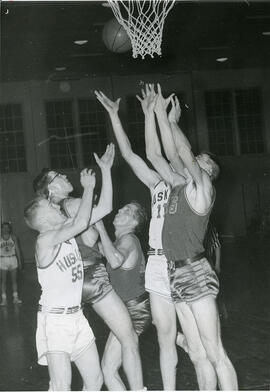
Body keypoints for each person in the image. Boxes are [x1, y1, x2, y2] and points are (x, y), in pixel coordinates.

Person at [33, 144, 144, 391]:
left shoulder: (55, 214)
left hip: (69, 284)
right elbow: (103, 209)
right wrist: (104, 172)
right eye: (58, 177)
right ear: (52, 189)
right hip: (90, 275)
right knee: (128, 337)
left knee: (87, 376)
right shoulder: (71, 204)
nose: (64, 176)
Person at [95, 89, 185, 390]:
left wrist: (159, 117)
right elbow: (130, 154)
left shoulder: (183, 182)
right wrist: (115, 116)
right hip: (157, 262)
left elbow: (162, 154)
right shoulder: (156, 183)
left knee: (172, 337)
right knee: (159, 339)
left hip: (178, 260)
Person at [152, 84, 238, 390]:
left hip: (196, 273)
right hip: (175, 272)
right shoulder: (179, 186)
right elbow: (166, 154)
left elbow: (184, 151)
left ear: (208, 171)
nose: (194, 160)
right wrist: (159, 116)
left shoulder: (204, 190)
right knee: (197, 354)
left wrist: (170, 120)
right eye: (197, 159)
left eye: (201, 161)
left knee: (215, 353)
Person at [24, 167, 103, 391]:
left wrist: (105, 171)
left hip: (77, 316)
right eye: (50, 206)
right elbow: (80, 223)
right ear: (43, 218)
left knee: (95, 381)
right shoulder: (45, 239)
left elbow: (102, 209)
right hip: (57, 322)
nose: (55, 206)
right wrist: (88, 187)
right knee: (60, 386)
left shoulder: (63, 229)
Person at [95, 201, 151, 390]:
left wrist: (100, 225)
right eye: (121, 208)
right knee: (107, 368)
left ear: (135, 222)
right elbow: (98, 249)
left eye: (127, 210)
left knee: (110, 367)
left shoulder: (129, 239)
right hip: (125, 309)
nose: (120, 210)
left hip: (134, 309)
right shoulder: (118, 242)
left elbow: (116, 260)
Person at [0, 221, 23, 305]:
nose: (6, 229)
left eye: (7, 227)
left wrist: (20, 262)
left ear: (9, 229)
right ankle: (4, 299)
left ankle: (15, 298)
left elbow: (17, 250)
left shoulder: (13, 237)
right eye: (4, 228)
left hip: (13, 259)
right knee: (3, 281)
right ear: (1, 229)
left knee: (14, 280)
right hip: (3, 260)